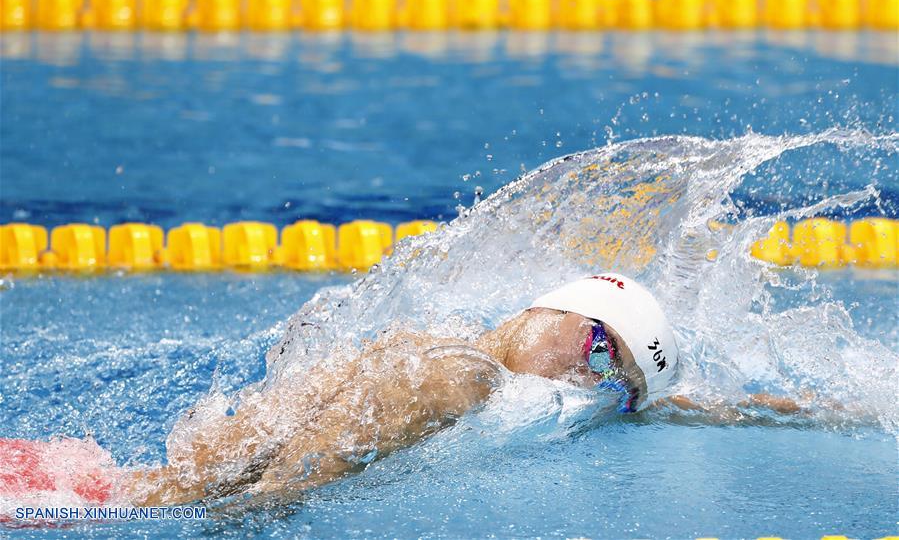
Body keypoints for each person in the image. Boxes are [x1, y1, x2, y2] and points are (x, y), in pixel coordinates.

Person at [1, 272, 803, 509]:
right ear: (554, 312)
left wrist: (792, 413)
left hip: (102, 479)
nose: (582, 383)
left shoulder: (467, 345)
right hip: (108, 506)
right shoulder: (460, 378)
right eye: (596, 353)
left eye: (609, 384)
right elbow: (302, 469)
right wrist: (251, 523)